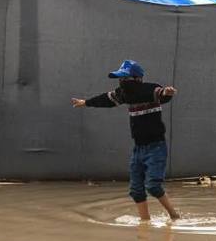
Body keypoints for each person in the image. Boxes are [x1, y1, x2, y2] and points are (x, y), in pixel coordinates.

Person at [72, 60, 181, 221]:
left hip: (156, 148)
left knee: (153, 186)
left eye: (125, 78)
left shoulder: (150, 89)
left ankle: (174, 215)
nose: (122, 81)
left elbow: (161, 94)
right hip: (138, 149)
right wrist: (86, 102)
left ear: (137, 79)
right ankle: (145, 222)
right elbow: (106, 99)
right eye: (120, 78)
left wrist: (167, 93)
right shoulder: (124, 94)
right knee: (136, 190)